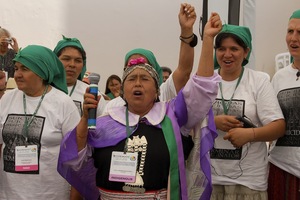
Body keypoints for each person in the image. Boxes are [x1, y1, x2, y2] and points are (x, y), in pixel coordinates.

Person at [57, 8, 222, 200]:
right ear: (122, 91)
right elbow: (75, 158)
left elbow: (201, 88)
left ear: (157, 90)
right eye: (131, 79)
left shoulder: (173, 117)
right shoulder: (105, 121)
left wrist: (208, 40)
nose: (137, 83)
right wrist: (86, 118)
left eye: (144, 78)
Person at [209, 24, 286, 199]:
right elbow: (188, 122)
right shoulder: (207, 80)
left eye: (234, 49)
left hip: (248, 183)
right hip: (209, 180)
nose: (227, 54)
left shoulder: (258, 81)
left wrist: (250, 134)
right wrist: (213, 122)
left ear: (246, 52)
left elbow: (278, 127)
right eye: (221, 49)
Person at [0, 45, 81, 199]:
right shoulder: (7, 99)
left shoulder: (63, 103)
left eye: (25, 69)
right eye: (16, 68)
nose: (17, 74)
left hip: (50, 194)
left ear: (42, 72)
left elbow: (77, 157)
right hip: (8, 194)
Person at [104, 3, 197, 114]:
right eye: (131, 70)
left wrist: (186, 31)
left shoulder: (163, 93)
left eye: (144, 73)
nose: (138, 83)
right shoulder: (112, 107)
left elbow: (184, 71)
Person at [268, 9, 300, 200]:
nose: (293, 38)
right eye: (290, 31)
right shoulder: (279, 77)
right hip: (282, 167)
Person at [53, 36, 107, 116]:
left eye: (78, 61)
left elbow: (103, 125)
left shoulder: (93, 95)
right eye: (66, 59)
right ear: (54, 61)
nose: (72, 64)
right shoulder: (41, 90)